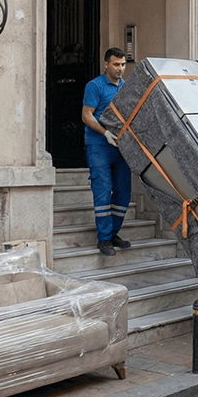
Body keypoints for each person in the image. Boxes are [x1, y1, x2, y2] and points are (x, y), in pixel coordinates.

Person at [81, 47, 132, 257]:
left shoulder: (126, 87)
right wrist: (105, 133)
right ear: (106, 64)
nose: (120, 68)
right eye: (116, 64)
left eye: (122, 65)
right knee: (103, 191)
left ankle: (113, 234)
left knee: (123, 192)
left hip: (121, 147)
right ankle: (103, 240)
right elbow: (87, 115)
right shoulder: (95, 86)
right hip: (99, 145)